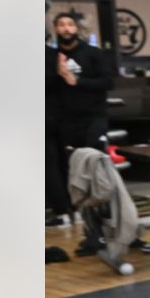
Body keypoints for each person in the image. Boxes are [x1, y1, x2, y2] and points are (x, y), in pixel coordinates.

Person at [46, 13, 114, 227]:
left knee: (96, 162)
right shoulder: (54, 57)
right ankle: (80, 211)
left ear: (76, 28)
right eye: (61, 25)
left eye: (70, 24)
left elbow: (108, 82)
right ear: (56, 29)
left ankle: (107, 208)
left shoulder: (93, 53)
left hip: (94, 118)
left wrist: (77, 80)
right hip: (67, 121)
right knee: (72, 167)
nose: (66, 29)